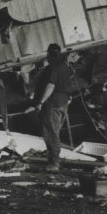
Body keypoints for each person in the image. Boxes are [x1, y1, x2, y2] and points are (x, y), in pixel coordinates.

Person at [33, 43, 76, 172]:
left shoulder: (53, 68)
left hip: (52, 104)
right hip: (63, 104)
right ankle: (53, 161)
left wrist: (40, 102)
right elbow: (68, 86)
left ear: (48, 54)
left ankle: (54, 164)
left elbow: (50, 86)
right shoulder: (65, 67)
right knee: (54, 132)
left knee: (51, 134)